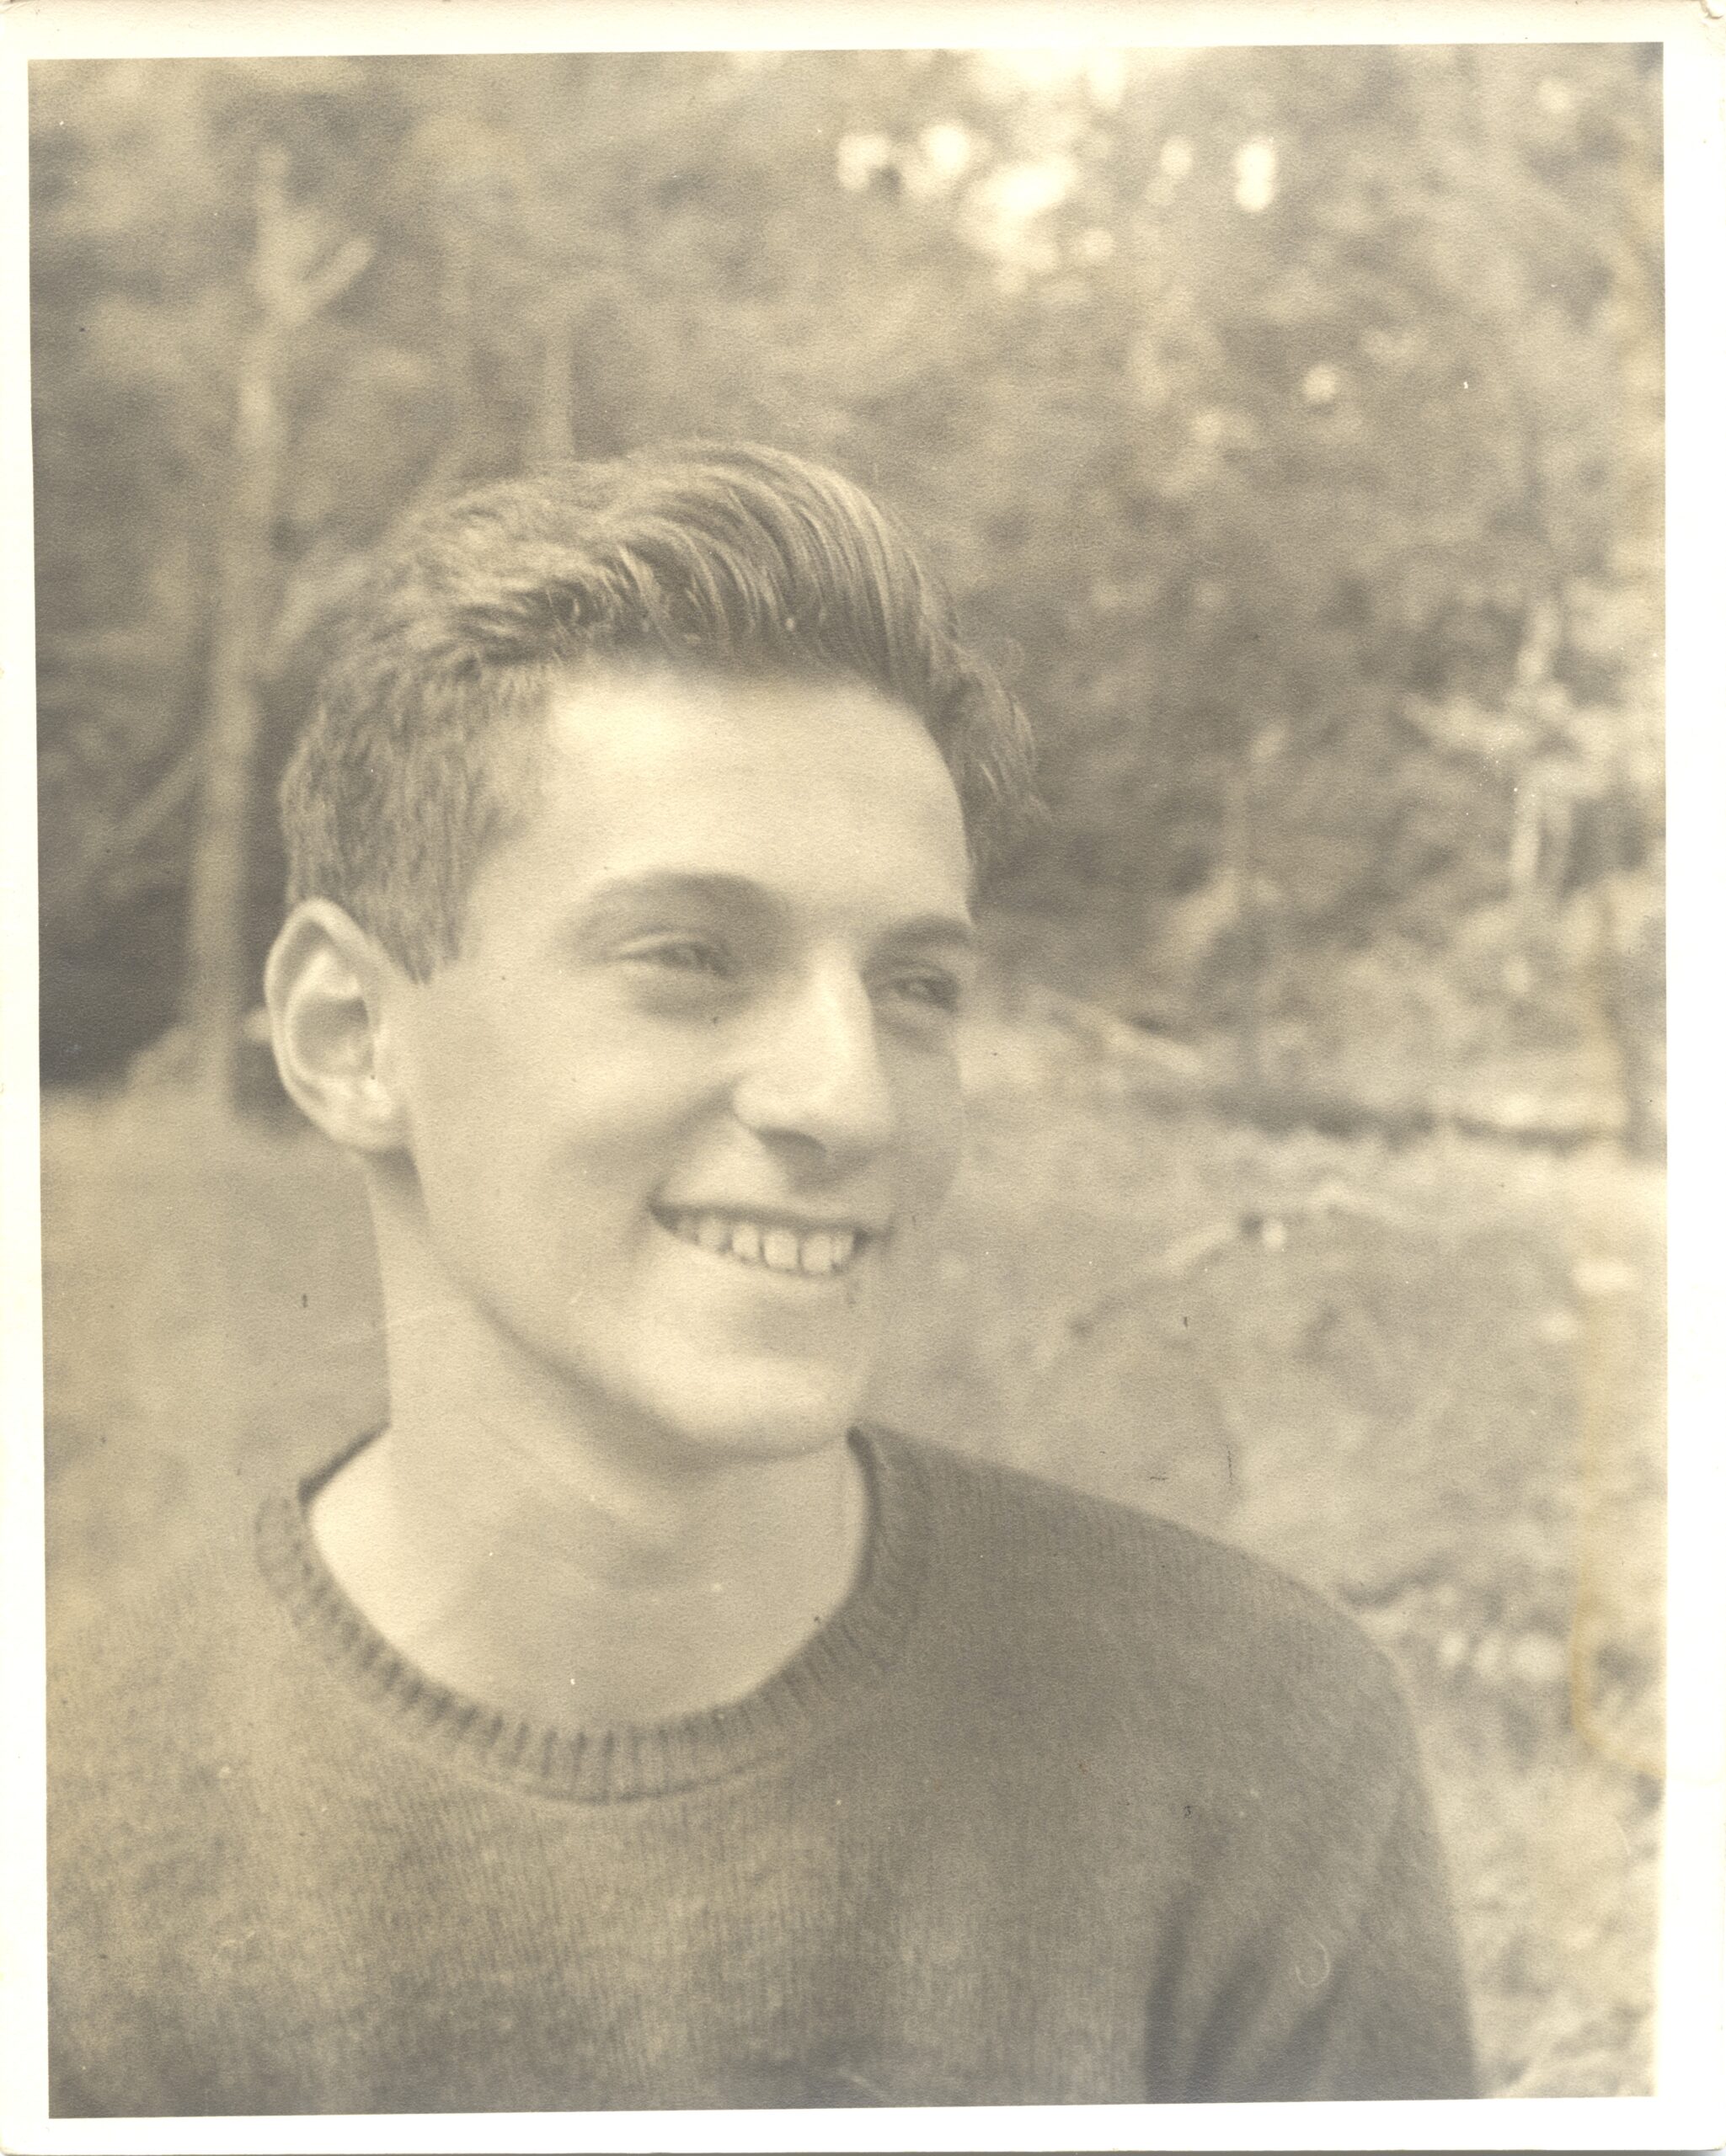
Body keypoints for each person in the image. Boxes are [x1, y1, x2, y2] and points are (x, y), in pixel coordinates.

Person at [49, 443, 1477, 2114]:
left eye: (915, 986)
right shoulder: (67, 1836)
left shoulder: (1250, 1741)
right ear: (348, 1035)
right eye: (688, 957)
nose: (849, 1098)